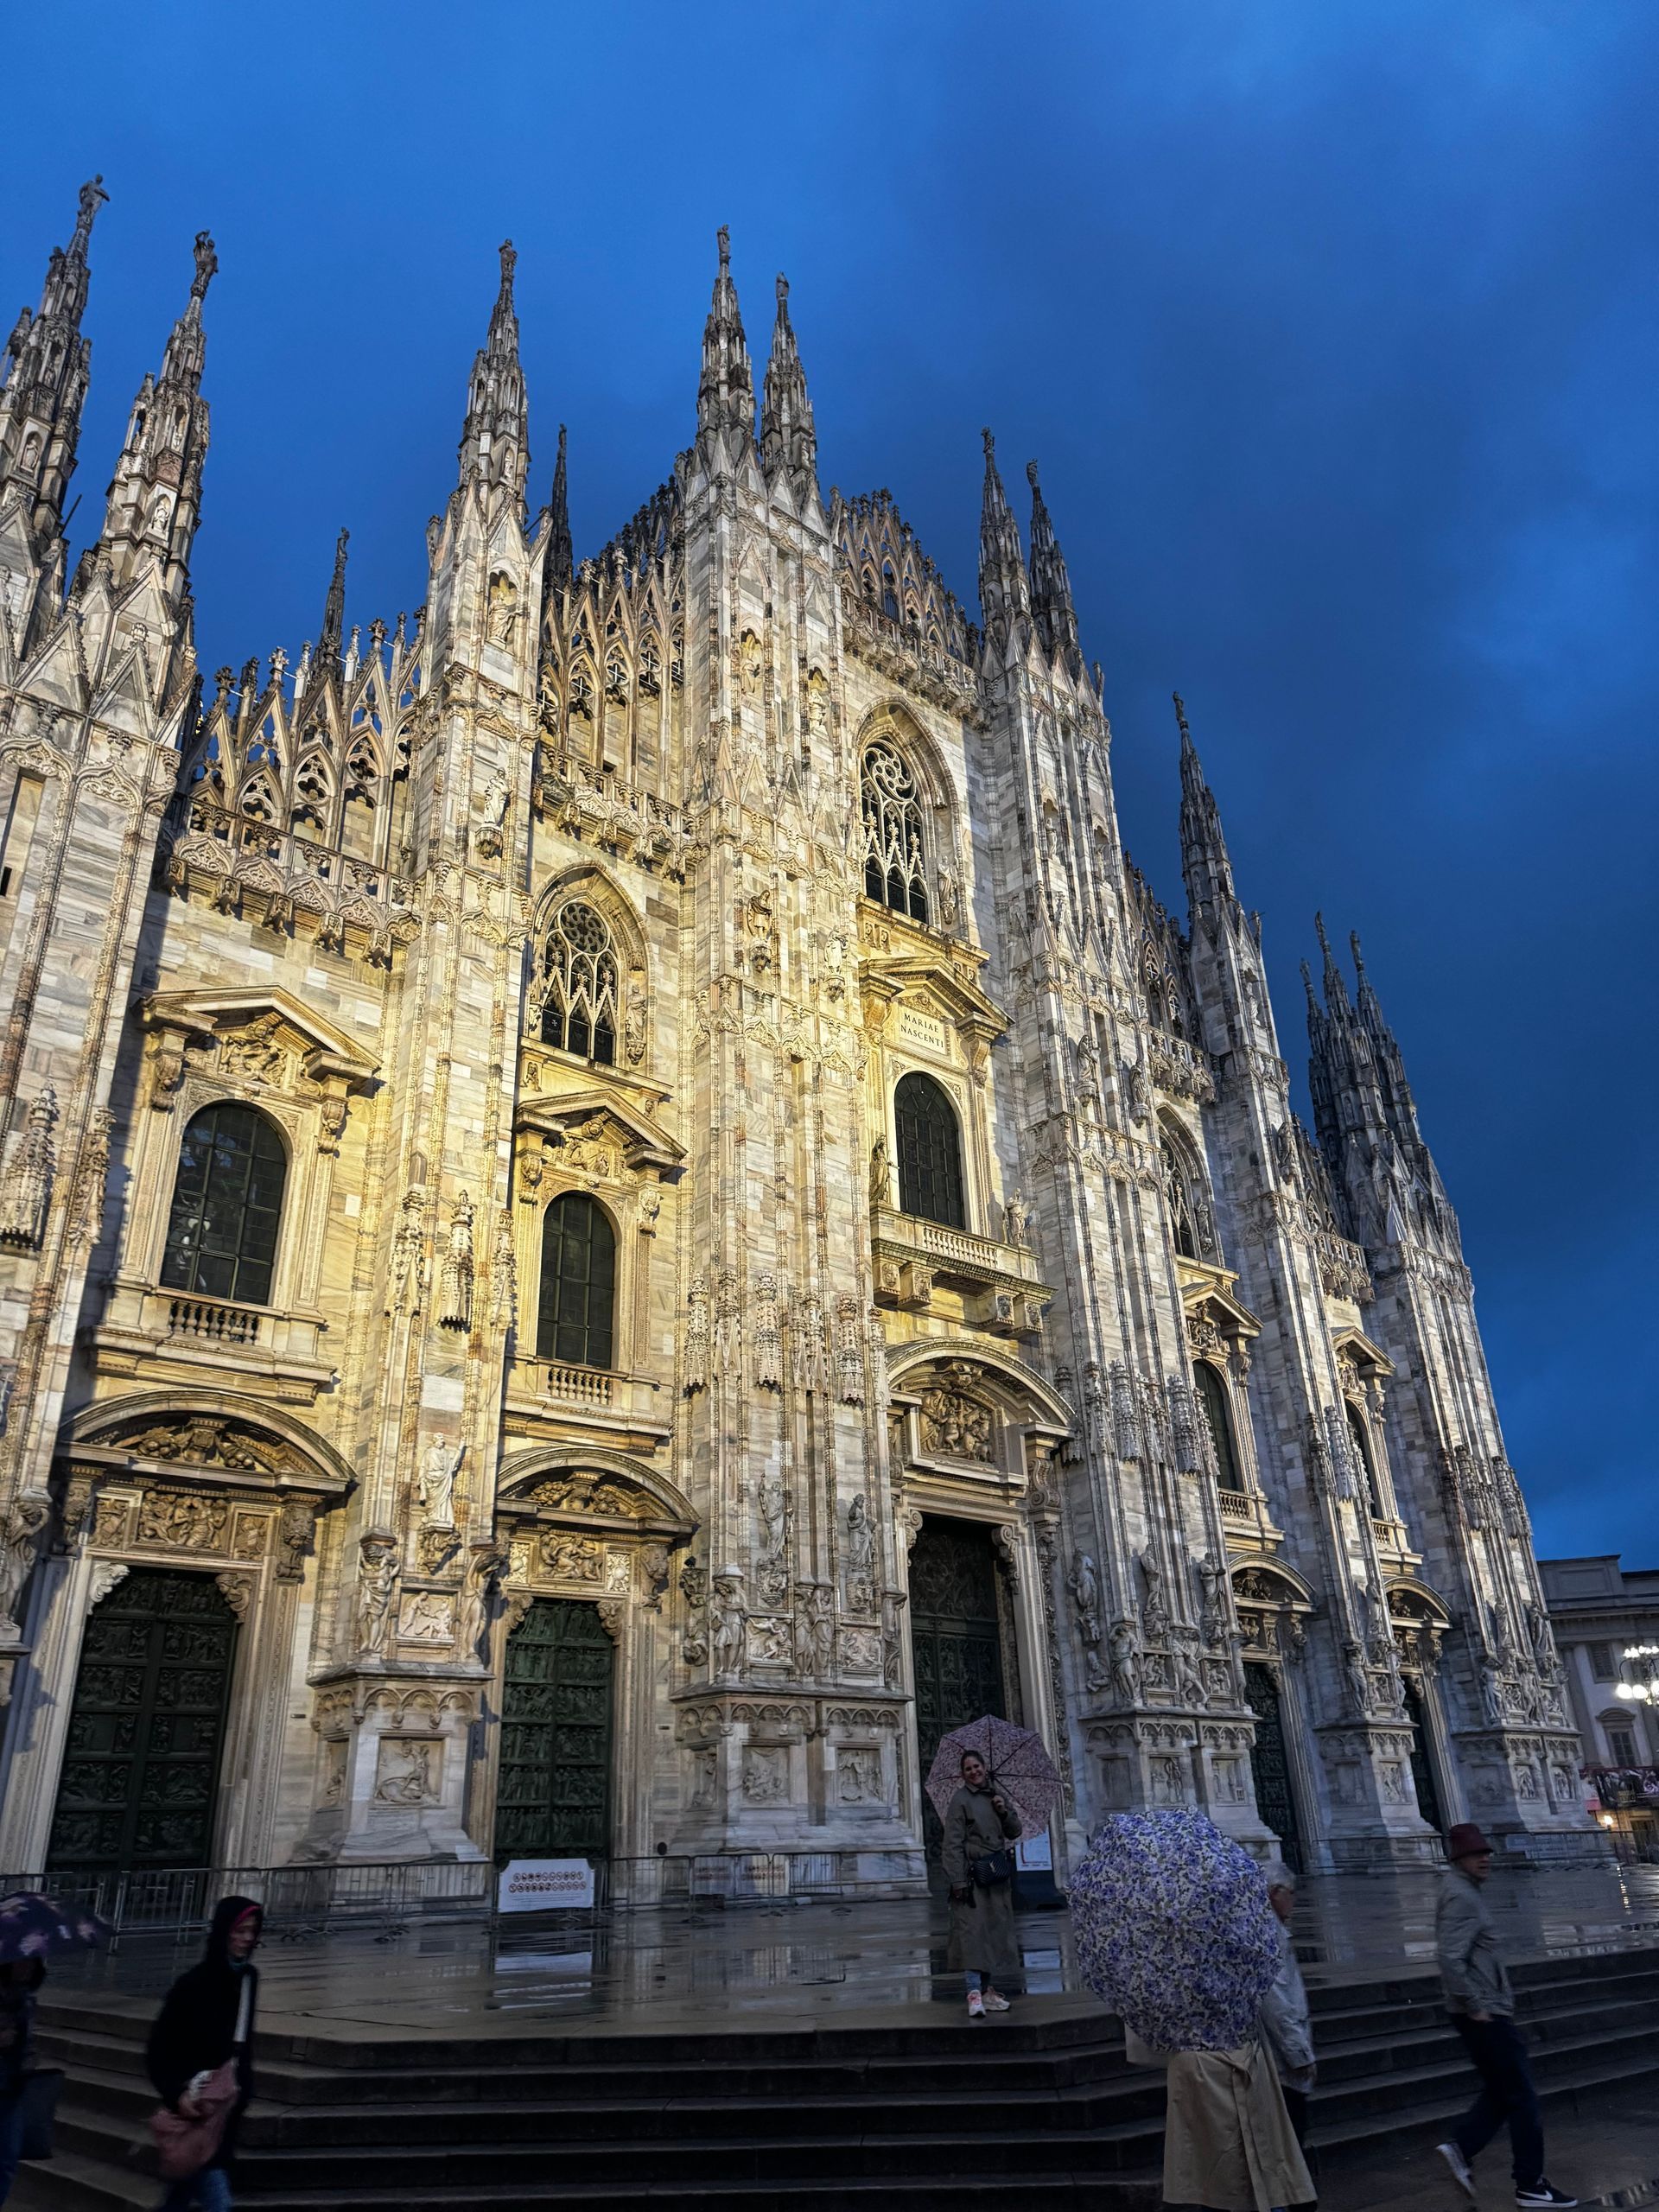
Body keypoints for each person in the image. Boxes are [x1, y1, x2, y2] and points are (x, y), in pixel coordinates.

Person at [1434, 1824, 1576, 2209]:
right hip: (1484, 2012)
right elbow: (1450, 1957)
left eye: (1486, 1852)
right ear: (1458, 1859)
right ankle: (1530, 2183)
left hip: (1483, 2006)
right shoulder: (1461, 1896)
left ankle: (1462, 2147)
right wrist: (1475, 2002)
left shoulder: (1464, 1891)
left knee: (1503, 2090)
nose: (1485, 1858)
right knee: (1523, 2098)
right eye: (1476, 1853)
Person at [146, 1896, 264, 2211]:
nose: (247, 1939)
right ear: (223, 1931)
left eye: (252, 1931)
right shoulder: (192, 1984)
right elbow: (159, 2050)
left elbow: (243, 2046)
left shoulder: (249, 1980)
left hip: (224, 2111)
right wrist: (178, 2093)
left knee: (180, 2195)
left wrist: (243, 2089)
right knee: (216, 2201)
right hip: (195, 2109)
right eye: (239, 1931)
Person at [941, 1749, 1021, 2019]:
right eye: (968, 1769)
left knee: (993, 1933)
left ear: (985, 1768)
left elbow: (1015, 1831)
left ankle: (988, 1991)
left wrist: (1004, 1811)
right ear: (962, 1774)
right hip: (973, 1875)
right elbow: (951, 1843)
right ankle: (974, 1992)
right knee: (973, 1934)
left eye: (977, 1766)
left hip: (995, 1874)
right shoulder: (960, 1800)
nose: (973, 1771)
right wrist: (957, 1880)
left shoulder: (996, 1796)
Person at [1257, 1862, 1315, 2149]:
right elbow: (1276, 2000)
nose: (1293, 1900)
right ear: (1274, 1893)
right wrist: (1298, 2053)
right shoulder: (1270, 1935)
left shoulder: (1268, 1929)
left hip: (1276, 2056)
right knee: (1291, 2137)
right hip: (1282, 2060)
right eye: (1290, 1893)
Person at [0, 1956, 45, 2204]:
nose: (26, 1966)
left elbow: (28, 2043)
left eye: (32, 1962)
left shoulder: (25, 1997)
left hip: (13, 2087)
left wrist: (29, 2061)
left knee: (7, 2159)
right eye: (21, 1961)